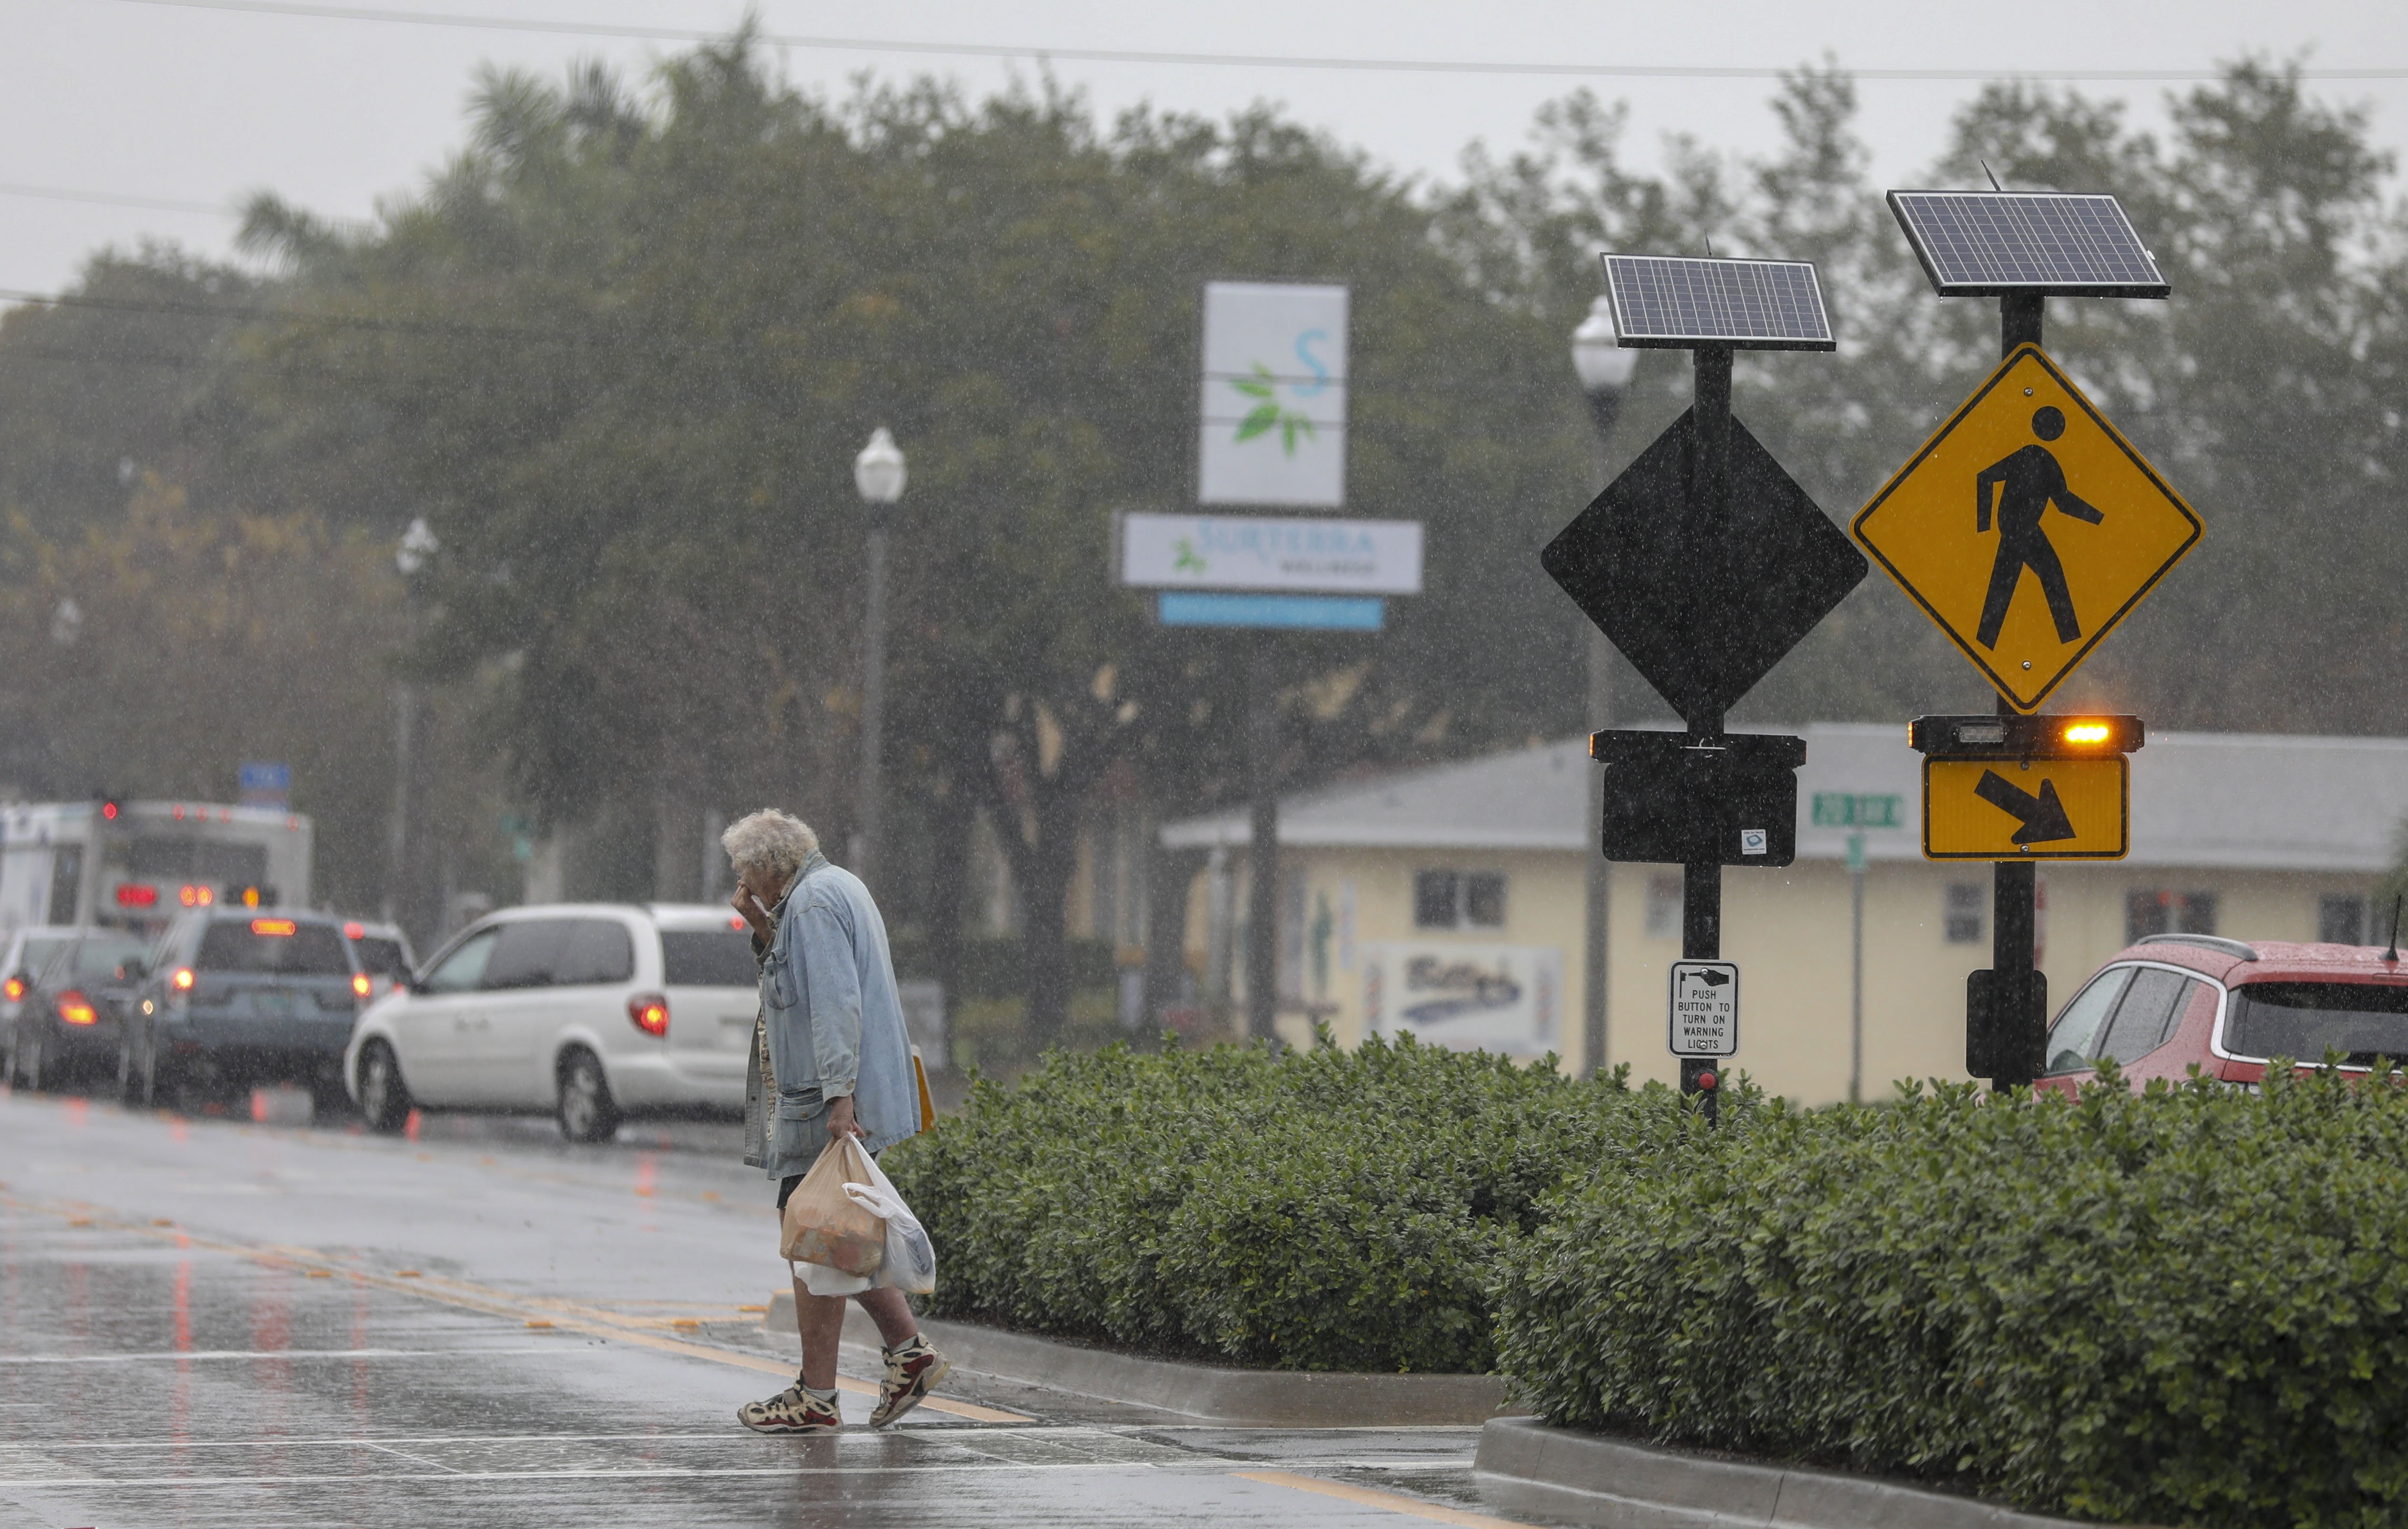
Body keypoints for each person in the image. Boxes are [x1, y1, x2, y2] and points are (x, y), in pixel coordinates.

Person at [720, 808, 949, 1434]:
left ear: (770, 866)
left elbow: (834, 1007)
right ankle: (907, 1355)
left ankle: (819, 1395)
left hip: (829, 1102)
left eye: (746, 872)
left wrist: (839, 1099)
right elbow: (799, 983)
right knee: (827, 1235)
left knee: (815, 1237)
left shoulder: (816, 904)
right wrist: (765, 932)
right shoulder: (825, 890)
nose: (742, 883)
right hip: (833, 1095)